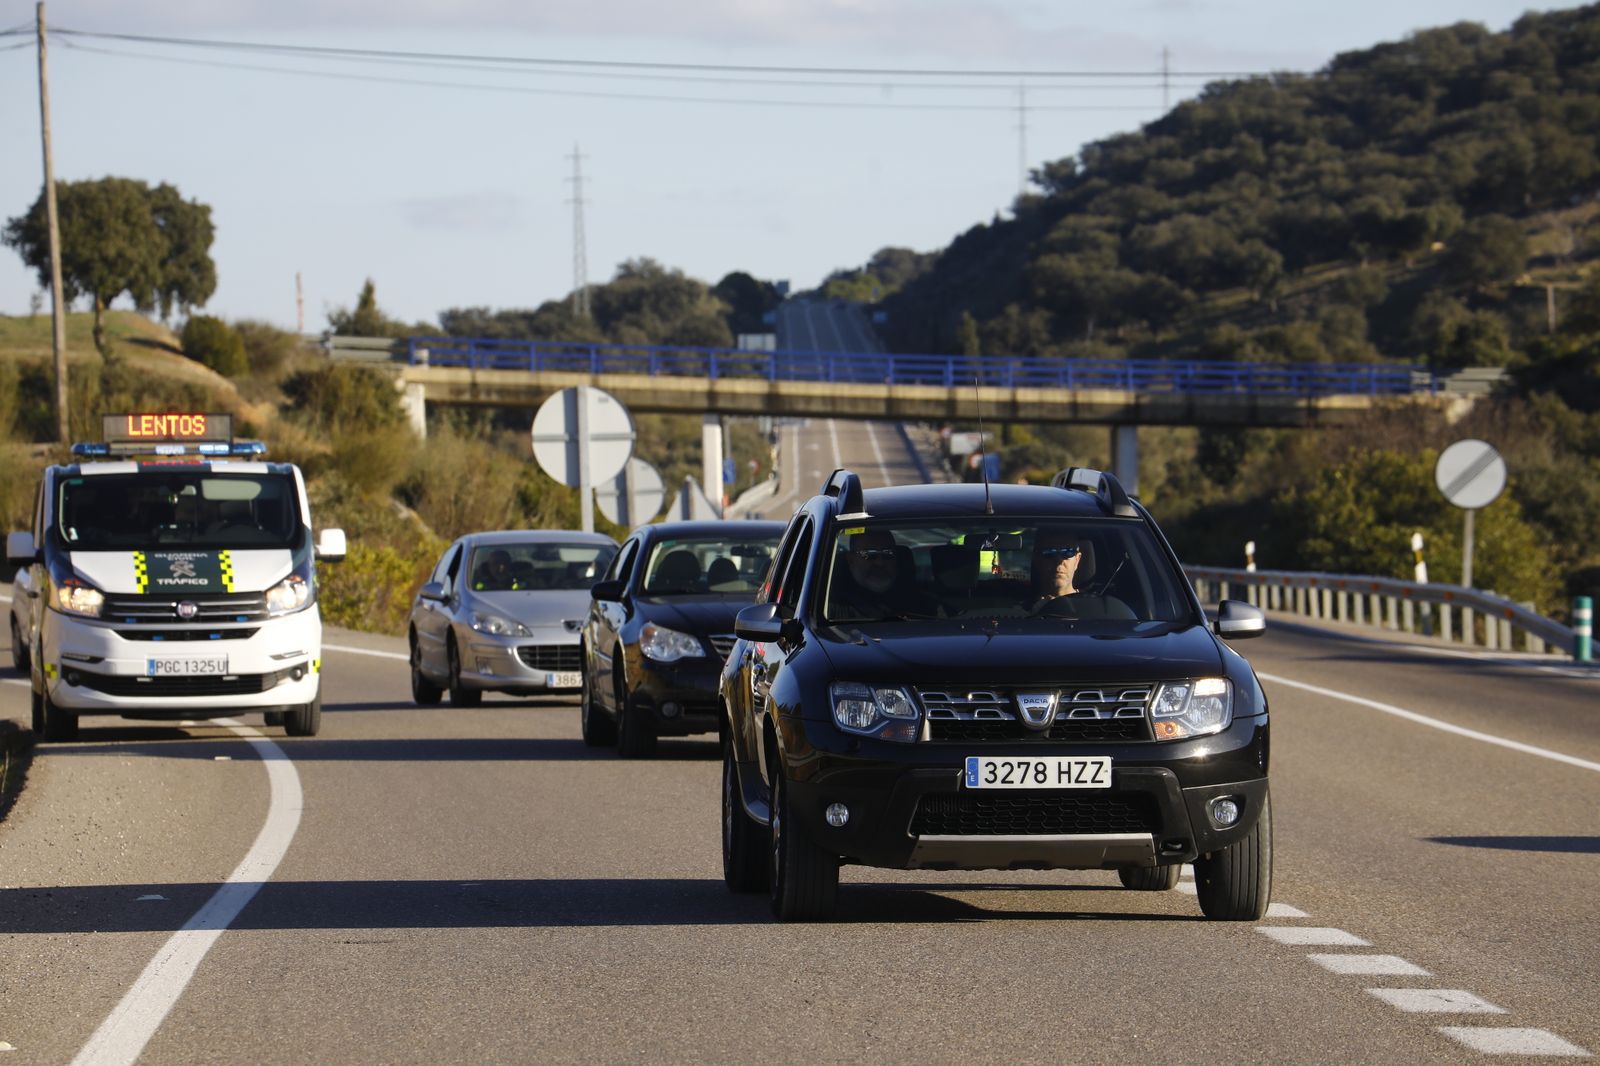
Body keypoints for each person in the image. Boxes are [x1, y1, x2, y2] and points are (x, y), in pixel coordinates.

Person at [829, 529, 938, 619]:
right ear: (850, 560)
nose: (879, 563)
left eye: (887, 554)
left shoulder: (927, 606)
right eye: (869, 555)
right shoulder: (827, 609)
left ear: (897, 559)